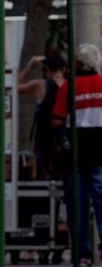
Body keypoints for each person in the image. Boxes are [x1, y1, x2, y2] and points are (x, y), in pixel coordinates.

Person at [52, 43, 102, 267]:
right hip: (100, 152)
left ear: (79, 64)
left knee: (78, 205)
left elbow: (56, 120)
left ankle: (83, 257)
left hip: (74, 157)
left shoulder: (68, 87)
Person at [18, 51, 67, 180]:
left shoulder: (40, 85)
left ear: (46, 69)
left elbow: (12, 87)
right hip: (65, 142)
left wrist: (29, 67)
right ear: (64, 69)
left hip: (43, 142)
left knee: (42, 180)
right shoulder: (71, 86)